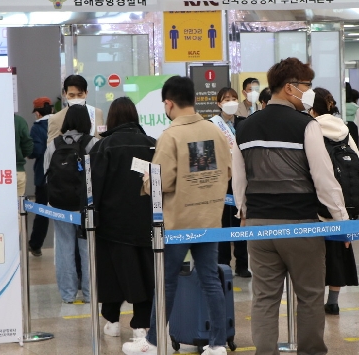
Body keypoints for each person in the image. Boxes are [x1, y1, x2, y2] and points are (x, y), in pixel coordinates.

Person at [232, 58, 348, 355]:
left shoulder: (244, 128)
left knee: (264, 298)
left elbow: (239, 180)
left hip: (258, 226)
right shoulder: (306, 125)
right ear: (289, 88)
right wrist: (342, 221)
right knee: (309, 296)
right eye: (307, 86)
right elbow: (324, 179)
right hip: (301, 225)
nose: (309, 92)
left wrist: (245, 213)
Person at [122, 76, 231, 355]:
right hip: (209, 219)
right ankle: (218, 343)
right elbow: (227, 172)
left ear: (168, 103)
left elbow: (162, 182)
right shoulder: (216, 130)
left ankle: (155, 341)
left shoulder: (170, 136)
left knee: (167, 281)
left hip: (178, 222)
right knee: (210, 279)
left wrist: (147, 179)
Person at [90, 97, 156, 340]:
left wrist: (89, 222)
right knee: (145, 273)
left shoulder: (103, 146)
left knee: (112, 273)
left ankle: (113, 320)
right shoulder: (152, 144)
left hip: (111, 224)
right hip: (147, 222)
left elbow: (93, 187)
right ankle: (141, 324)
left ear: (112, 119)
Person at [309, 88, 359, 316]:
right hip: (346, 205)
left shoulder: (311, 129)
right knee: (340, 252)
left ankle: (316, 299)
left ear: (312, 108)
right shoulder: (344, 129)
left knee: (318, 254)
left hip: (320, 204)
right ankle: (334, 301)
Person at [44, 104, 98, 304]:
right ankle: (89, 293)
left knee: (64, 247)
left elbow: (45, 172)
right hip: (85, 205)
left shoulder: (54, 144)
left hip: (59, 205)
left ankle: (67, 295)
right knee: (87, 248)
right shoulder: (91, 143)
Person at [211, 87, 250, 278]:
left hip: (240, 178)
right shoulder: (212, 125)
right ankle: (223, 263)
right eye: (226, 99)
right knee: (222, 222)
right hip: (221, 179)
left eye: (234, 98)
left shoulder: (244, 123)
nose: (231, 102)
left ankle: (242, 264)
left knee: (240, 220)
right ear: (219, 103)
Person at [28, 97, 53, 257]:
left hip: (43, 176)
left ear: (37, 113)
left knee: (42, 212)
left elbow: (36, 151)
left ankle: (35, 244)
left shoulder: (37, 128)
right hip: (62, 176)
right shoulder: (61, 123)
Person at [48, 74, 105, 143]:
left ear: (86, 93)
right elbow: (51, 147)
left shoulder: (97, 113)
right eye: (71, 95)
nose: (76, 98)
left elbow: (102, 137)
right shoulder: (56, 119)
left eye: (79, 95)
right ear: (65, 94)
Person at [14, 113, 34, 197]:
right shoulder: (19, 121)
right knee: (18, 206)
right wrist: (21, 155)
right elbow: (27, 145)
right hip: (17, 169)